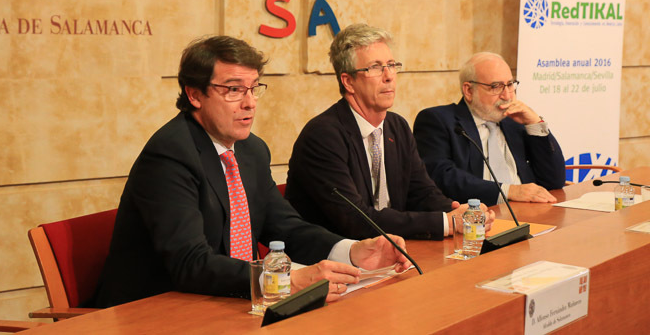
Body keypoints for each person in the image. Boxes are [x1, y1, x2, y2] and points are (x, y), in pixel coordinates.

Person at [93, 35, 411, 308]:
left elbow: (285, 227)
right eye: (234, 90)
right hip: (155, 312)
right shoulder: (170, 155)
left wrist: (352, 251)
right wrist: (286, 279)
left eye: (253, 88)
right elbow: (190, 262)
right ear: (194, 95)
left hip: (226, 303)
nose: (250, 103)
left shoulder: (251, 150)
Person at [285, 24, 494, 241]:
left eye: (391, 65)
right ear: (348, 82)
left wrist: (461, 213)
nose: (389, 76)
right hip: (335, 255)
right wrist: (445, 222)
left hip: (393, 248)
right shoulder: (323, 136)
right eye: (375, 67)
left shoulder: (397, 126)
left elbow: (421, 192)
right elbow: (356, 220)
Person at [413, 52, 566, 206]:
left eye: (510, 85)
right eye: (496, 87)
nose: (507, 96)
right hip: (479, 214)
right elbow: (442, 177)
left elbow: (554, 180)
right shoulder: (438, 121)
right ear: (469, 91)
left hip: (530, 210)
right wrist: (508, 191)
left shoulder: (515, 121)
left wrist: (535, 124)